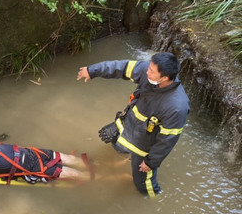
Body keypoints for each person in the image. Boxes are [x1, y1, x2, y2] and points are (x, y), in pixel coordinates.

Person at [76, 52, 189, 196]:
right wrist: (92, 71)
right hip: (129, 125)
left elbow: (167, 140)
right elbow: (121, 67)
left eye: (151, 71)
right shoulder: (148, 72)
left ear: (164, 78)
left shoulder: (176, 106)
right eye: (149, 67)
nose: (146, 71)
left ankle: (152, 200)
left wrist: (150, 162)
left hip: (144, 146)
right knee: (115, 145)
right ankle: (121, 158)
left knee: (142, 182)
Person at [0, 123, 92, 183]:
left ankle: (104, 166)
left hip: (34, 153)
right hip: (32, 169)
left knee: (72, 159)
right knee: (74, 174)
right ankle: (100, 180)